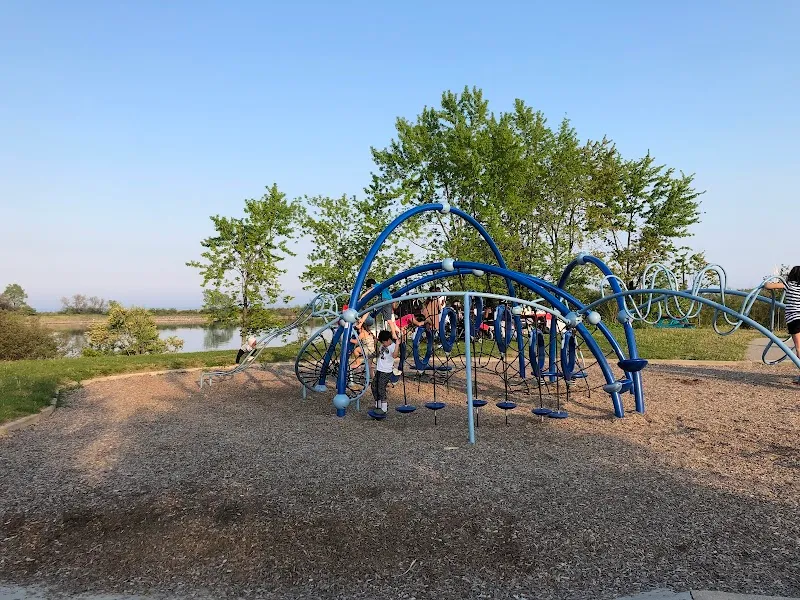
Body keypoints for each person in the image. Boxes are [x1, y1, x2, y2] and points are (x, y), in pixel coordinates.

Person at [765, 266, 800, 383]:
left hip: (794, 319)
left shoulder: (789, 285)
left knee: (799, 348)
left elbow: (768, 286)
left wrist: (769, 282)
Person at [371, 329, 403, 415]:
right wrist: (375, 344)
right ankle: (378, 404)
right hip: (379, 369)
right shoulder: (382, 345)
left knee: (381, 388)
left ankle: (384, 408)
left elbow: (395, 356)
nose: (384, 344)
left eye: (384, 342)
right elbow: (378, 354)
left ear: (389, 340)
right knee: (374, 386)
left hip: (386, 371)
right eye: (382, 342)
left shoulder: (393, 346)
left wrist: (397, 345)